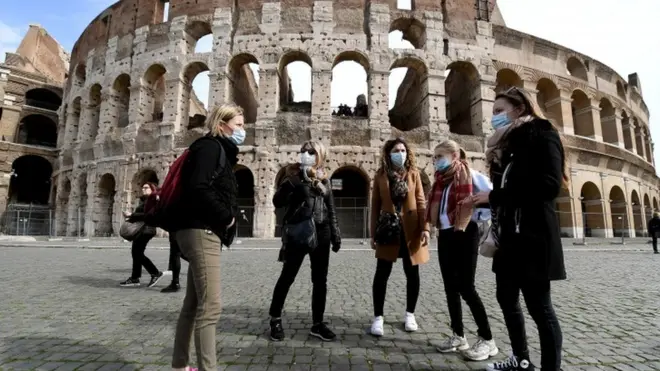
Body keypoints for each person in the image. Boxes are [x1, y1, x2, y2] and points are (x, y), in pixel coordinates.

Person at [463, 87, 567, 371]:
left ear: (519, 109)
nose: (493, 117)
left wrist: (494, 197)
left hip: (534, 236)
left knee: (539, 307)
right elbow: (505, 190)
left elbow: (550, 185)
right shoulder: (505, 147)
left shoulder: (543, 134)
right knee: (506, 298)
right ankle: (521, 360)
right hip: (509, 238)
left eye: (499, 111)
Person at [170, 103, 244, 371]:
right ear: (222, 124)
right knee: (211, 307)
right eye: (238, 125)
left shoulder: (214, 149)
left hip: (200, 230)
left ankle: (180, 365)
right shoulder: (210, 148)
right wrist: (227, 216)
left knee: (193, 304)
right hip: (203, 231)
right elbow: (198, 188)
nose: (242, 130)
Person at [427, 140, 499, 361]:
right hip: (446, 235)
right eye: (435, 157)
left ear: (454, 155)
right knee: (450, 287)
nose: (436, 160)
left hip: (465, 232)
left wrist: (475, 214)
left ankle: (488, 339)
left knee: (466, 287)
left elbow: (492, 198)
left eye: (440, 156)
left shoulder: (471, 175)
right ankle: (458, 335)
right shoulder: (440, 181)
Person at [268, 141, 341, 342]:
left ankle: (317, 324)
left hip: (322, 232)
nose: (305, 154)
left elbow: (331, 209)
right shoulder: (292, 177)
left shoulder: (324, 181)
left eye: (310, 151)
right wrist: (292, 185)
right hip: (299, 231)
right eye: (302, 151)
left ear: (320, 156)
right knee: (287, 276)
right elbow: (277, 201)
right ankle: (275, 318)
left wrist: (335, 233)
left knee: (320, 281)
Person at [369, 137, 430, 337]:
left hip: (411, 230)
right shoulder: (380, 175)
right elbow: (375, 206)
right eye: (396, 150)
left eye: (403, 150)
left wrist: (426, 228)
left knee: (412, 274)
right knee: (381, 274)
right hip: (388, 228)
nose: (400, 153)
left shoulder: (414, 174)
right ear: (388, 153)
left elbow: (421, 202)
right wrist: (372, 233)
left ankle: (410, 314)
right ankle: (378, 317)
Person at [120, 182, 166, 288]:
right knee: (136, 253)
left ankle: (155, 273)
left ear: (152, 188)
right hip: (142, 229)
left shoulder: (154, 199)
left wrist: (132, 214)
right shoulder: (145, 200)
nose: (143, 189)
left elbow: (150, 215)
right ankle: (135, 278)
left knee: (137, 253)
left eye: (146, 187)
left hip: (147, 230)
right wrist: (130, 217)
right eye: (142, 187)